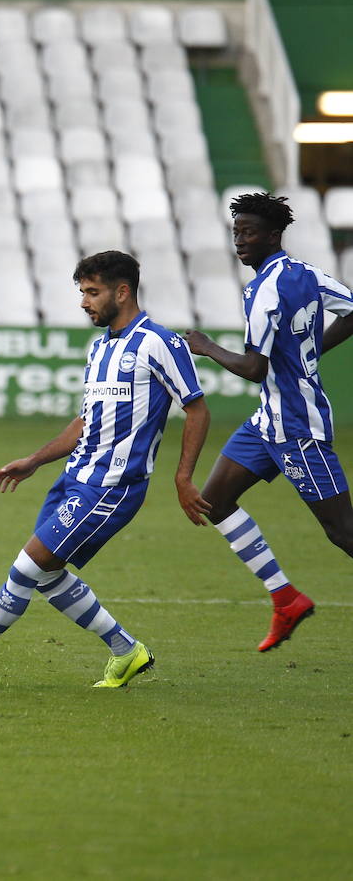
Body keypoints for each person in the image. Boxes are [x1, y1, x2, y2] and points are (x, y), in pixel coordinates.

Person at [0, 251, 210, 689]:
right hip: (74, 478)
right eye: (82, 292)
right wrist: (35, 460)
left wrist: (182, 478)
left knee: (25, 569)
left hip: (112, 487)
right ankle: (127, 651)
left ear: (122, 292)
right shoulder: (101, 347)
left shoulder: (158, 343)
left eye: (92, 292)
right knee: (47, 576)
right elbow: (86, 420)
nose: (84, 302)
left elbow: (197, 410)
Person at [185, 192, 353, 651]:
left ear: (273, 235)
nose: (239, 240)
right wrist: (312, 351)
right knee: (214, 502)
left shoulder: (264, 292)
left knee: (343, 532)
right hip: (267, 423)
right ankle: (286, 599)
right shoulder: (306, 274)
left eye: (248, 232)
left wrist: (206, 346)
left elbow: (254, 368)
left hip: (298, 428)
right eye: (236, 232)